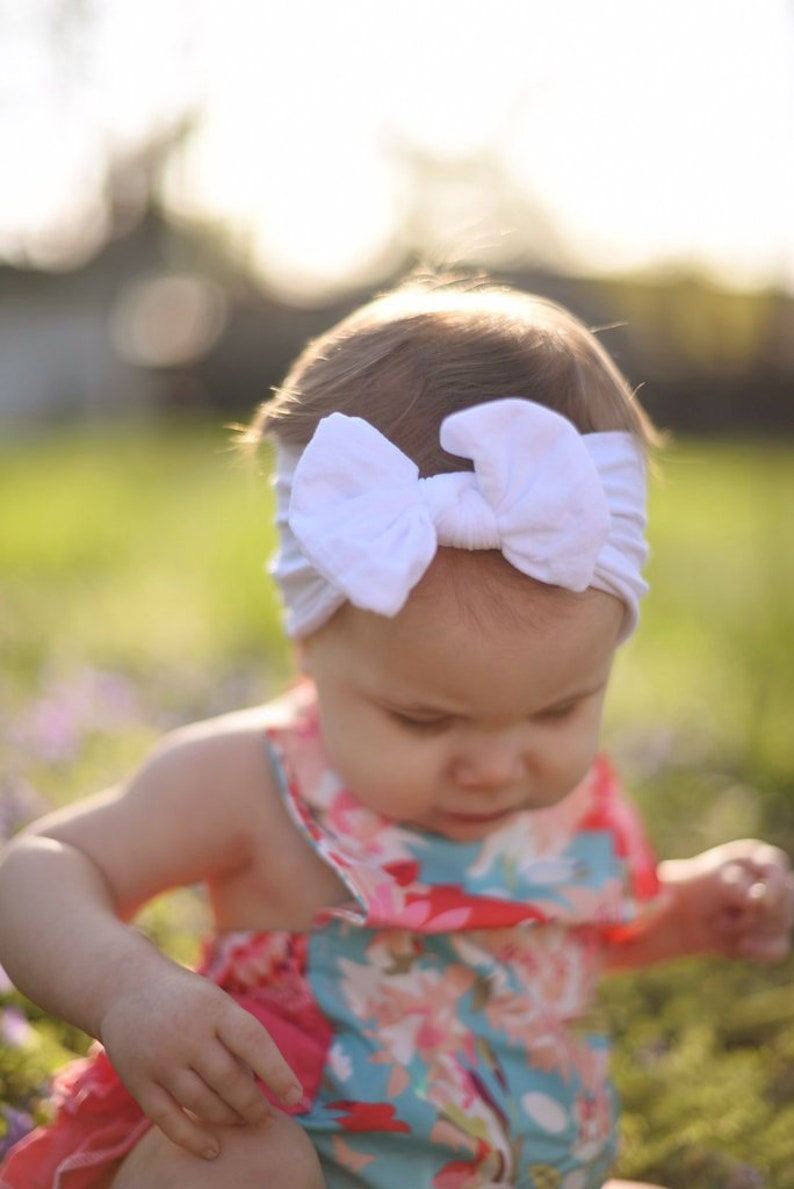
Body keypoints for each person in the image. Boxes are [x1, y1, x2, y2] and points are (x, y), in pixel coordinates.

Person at [0, 276, 791, 1189]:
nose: (497, 766)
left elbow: (548, 941)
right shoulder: (251, 777)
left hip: (518, 1170)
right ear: (311, 637)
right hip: (302, 1154)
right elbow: (38, 868)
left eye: (559, 709)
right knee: (235, 1161)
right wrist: (127, 988)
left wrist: (689, 910)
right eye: (425, 718)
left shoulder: (562, 794)